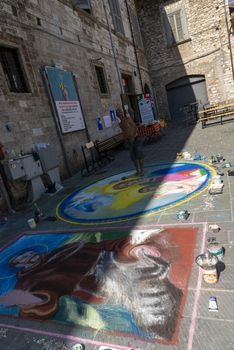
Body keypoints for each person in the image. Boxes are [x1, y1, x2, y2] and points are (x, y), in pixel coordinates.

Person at [116, 108, 144, 176]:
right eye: (118, 113)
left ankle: (142, 171)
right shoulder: (120, 124)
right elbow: (124, 132)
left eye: (120, 112)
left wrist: (133, 136)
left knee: (139, 154)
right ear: (117, 115)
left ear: (123, 113)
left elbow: (135, 127)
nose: (120, 114)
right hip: (129, 141)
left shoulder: (128, 119)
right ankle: (138, 171)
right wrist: (125, 140)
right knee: (133, 157)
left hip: (135, 139)